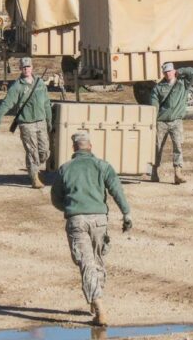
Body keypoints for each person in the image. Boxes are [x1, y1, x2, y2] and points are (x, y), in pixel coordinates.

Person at [50, 132, 132, 327]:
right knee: (97, 260)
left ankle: (99, 305)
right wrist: (126, 213)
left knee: (86, 262)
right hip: (99, 220)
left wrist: (71, 208)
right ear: (90, 147)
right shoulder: (102, 166)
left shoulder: (65, 169)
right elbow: (116, 191)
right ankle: (96, 300)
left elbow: (55, 198)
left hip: (76, 220)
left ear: (74, 148)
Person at [0, 57, 51, 188]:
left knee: (45, 151)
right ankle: (34, 177)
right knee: (32, 151)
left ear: (32, 67)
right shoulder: (17, 86)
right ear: (20, 69)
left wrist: (49, 120)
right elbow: (6, 103)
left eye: (28, 67)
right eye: (24, 67)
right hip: (26, 123)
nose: (26, 69)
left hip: (41, 121)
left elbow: (47, 103)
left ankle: (32, 167)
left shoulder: (40, 83)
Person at [149, 62, 190, 184]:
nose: (168, 74)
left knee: (178, 146)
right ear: (163, 73)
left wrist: (181, 71)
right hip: (161, 122)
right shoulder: (158, 88)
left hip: (177, 121)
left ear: (174, 71)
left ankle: (178, 173)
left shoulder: (183, 83)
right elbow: (154, 106)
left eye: (170, 71)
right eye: (165, 72)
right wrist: (152, 121)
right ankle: (153, 172)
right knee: (156, 148)